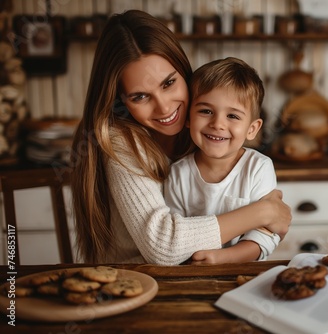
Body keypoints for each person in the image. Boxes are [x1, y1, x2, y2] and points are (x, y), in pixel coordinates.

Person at [69, 10, 291, 265]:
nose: (164, 108)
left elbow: (267, 234)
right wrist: (263, 212)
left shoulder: (202, 130)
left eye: (168, 83)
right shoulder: (117, 141)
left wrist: (259, 227)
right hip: (134, 282)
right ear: (119, 101)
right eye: (139, 96)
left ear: (183, 72)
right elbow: (162, 247)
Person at [165, 57, 281, 264]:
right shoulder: (177, 174)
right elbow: (175, 237)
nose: (217, 124)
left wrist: (221, 258)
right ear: (188, 119)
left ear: (252, 129)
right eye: (206, 111)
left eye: (233, 116)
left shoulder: (258, 168)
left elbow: (266, 235)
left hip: (244, 275)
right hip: (191, 275)